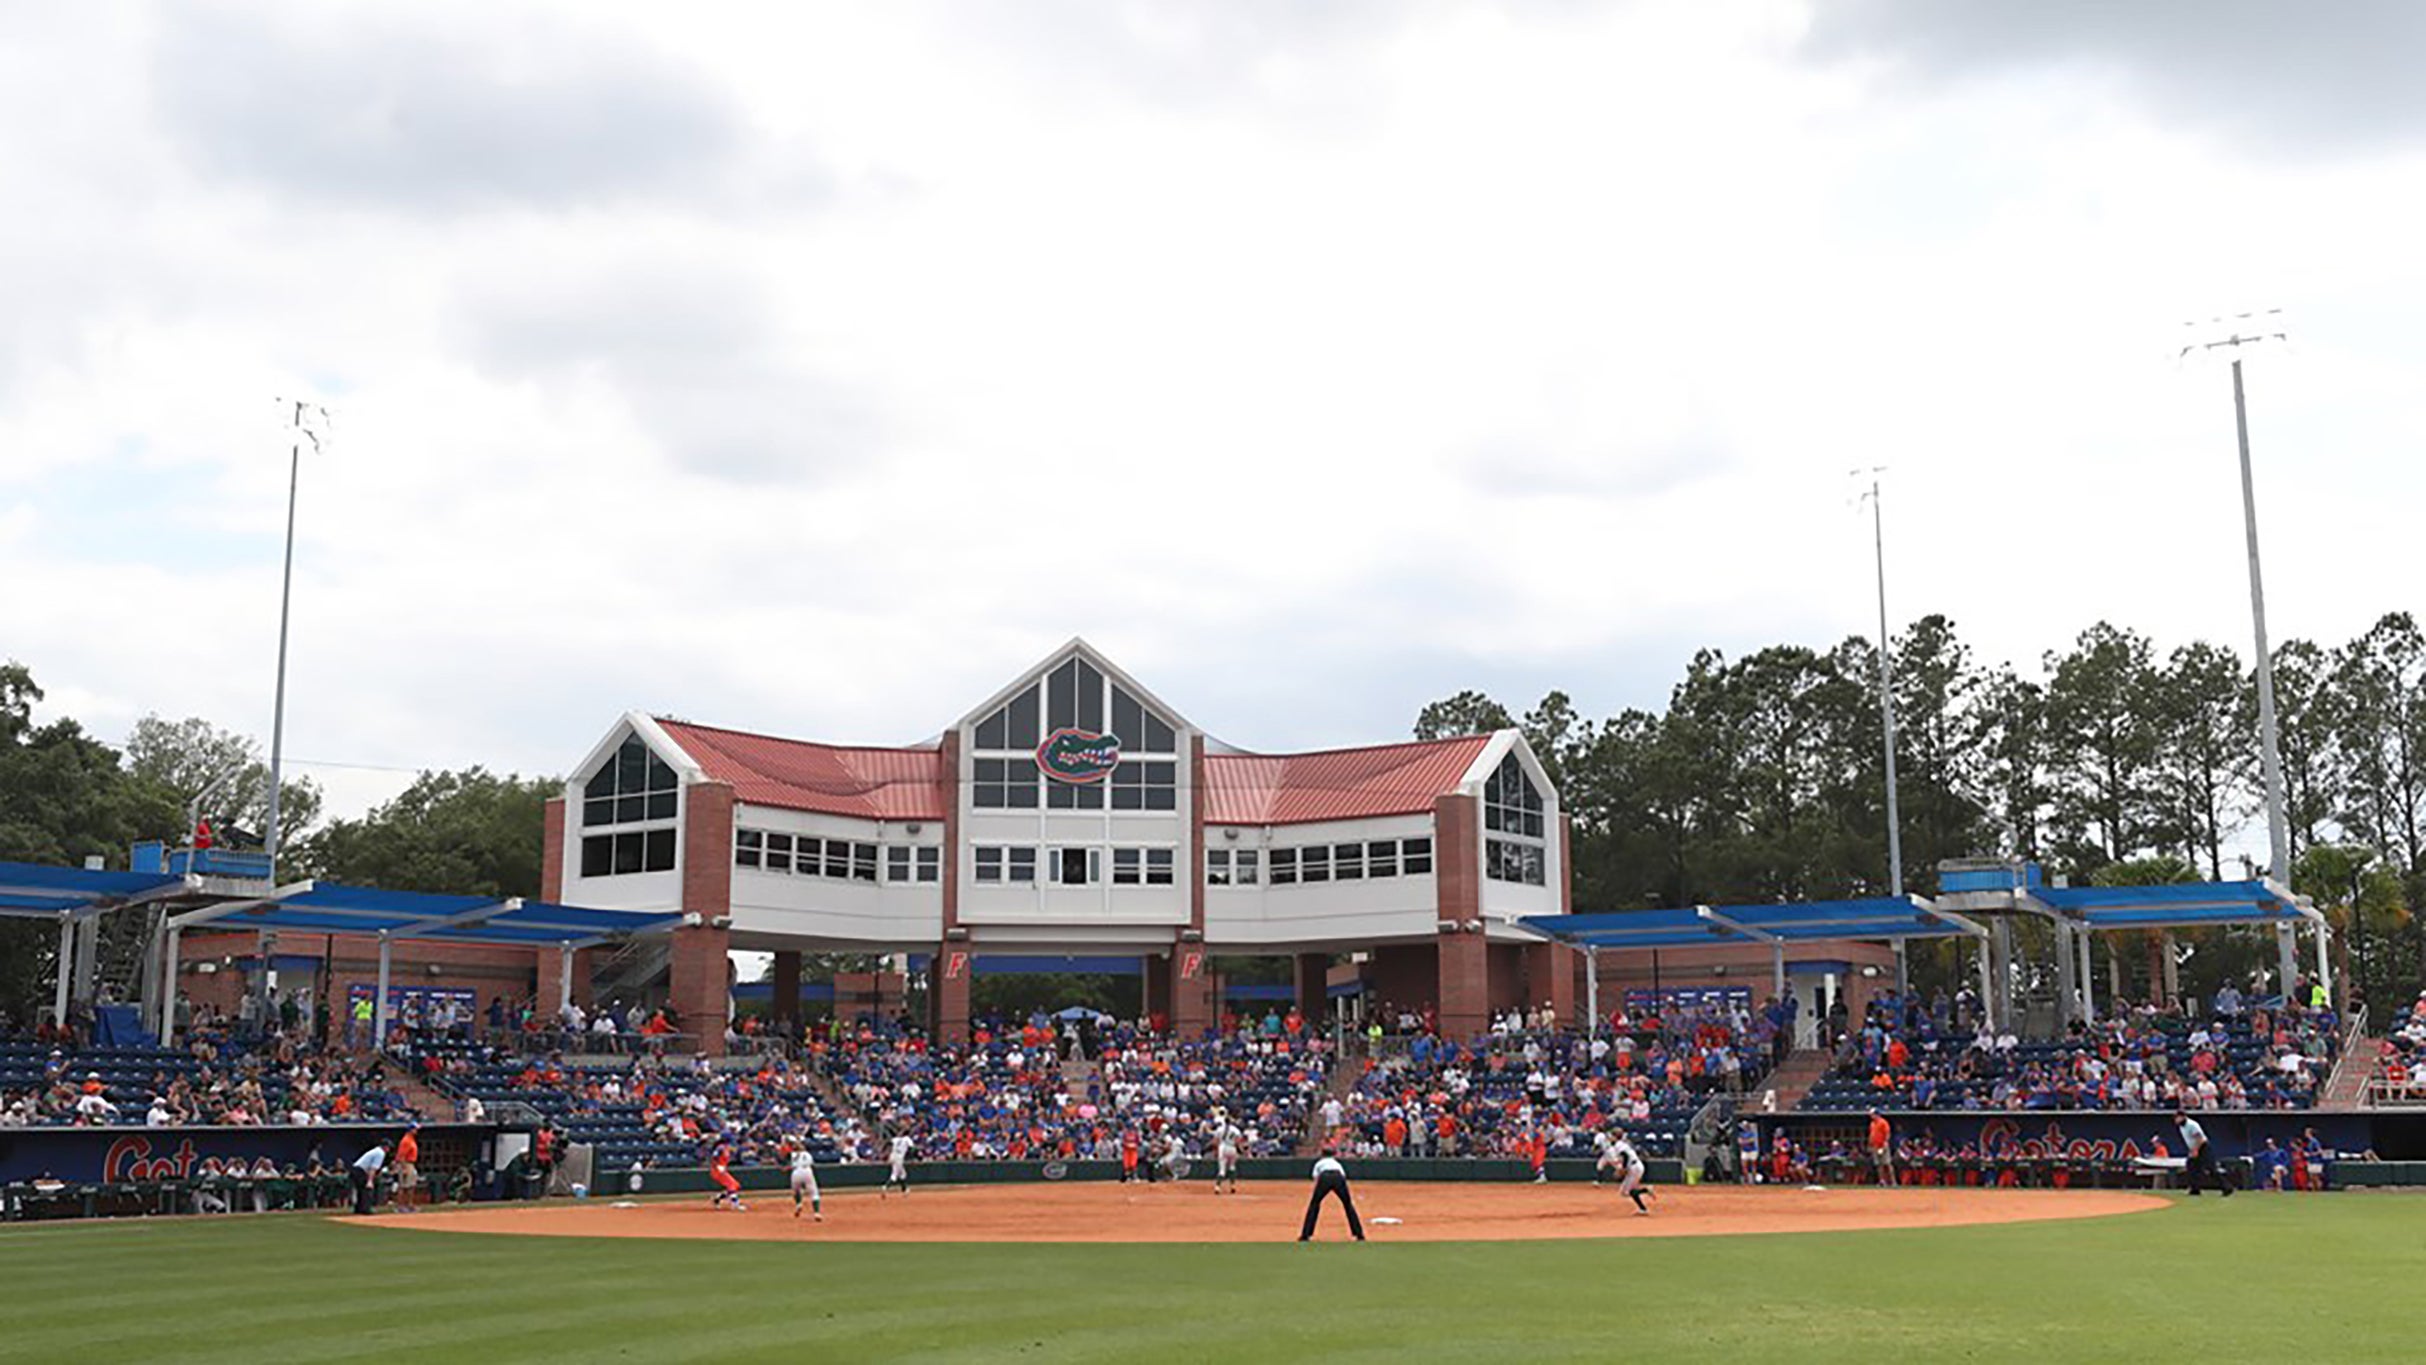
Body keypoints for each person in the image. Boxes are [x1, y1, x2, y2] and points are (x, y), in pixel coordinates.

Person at [1299, 1147, 1365, 1242]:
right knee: (1348, 1205)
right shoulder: (1336, 1163)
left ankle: (1305, 1235)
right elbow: (1343, 1176)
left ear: (1322, 1154)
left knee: (1314, 1205)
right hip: (1338, 1177)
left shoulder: (1319, 1163)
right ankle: (1359, 1234)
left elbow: (1315, 1177)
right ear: (1333, 1155)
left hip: (1324, 1177)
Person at [2174, 1110, 2232, 1197]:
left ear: (2183, 1117)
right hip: (2194, 1148)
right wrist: (2191, 1150)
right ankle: (2195, 1189)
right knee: (2191, 1166)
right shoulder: (2181, 1127)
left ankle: (2227, 1187)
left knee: (2211, 1168)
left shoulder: (2191, 1125)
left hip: (2203, 1147)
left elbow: (2199, 1138)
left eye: (2177, 1118)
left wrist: (2196, 1150)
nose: (2175, 1120)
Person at [1608, 1133, 1654, 1216]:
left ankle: (1645, 1194)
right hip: (1635, 1167)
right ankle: (1643, 1207)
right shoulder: (1622, 1144)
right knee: (1627, 1191)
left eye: (1611, 1136)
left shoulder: (1619, 1145)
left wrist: (1623, 1169)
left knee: (1626, 1192)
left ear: (1615, 1137)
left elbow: (1625, 1156)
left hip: (1634, 1168)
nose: (1610, 1138)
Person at [349, 1141, 389, 1215]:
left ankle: (359, 1209)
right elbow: (373, 1168)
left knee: (360, 1190)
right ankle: (366, 1209)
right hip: (360, 1170)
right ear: (385, 1147)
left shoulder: (376, 1150)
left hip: (355, 1169)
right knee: (366, 1190)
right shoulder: (380, 1153)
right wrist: (370, 1181)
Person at [789, 1141, 823, 1222]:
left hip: (796, 1172)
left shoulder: (792, 1155)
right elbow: (812, 1164)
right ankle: (816, 1213)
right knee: (814, 1192)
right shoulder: (807, 1154)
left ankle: (798, 1204)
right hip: (807, 1171)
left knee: (796, 1190)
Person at [708, 1144, 746, 1211]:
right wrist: (716, 1165)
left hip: (722, 1170)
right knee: (731, 1185)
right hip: (717, 1170)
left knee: (736, 1185)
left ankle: (717, 1198)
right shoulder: (721, 1148)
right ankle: (735, 1204)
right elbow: (713, 1157)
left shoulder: (728, 1150)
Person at [392, 1124, 421, 1211]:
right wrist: (404, 1168)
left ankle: (409, 1205)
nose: (416, 1131)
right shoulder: (406, 1140)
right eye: (415, 1129)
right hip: (406, 1164)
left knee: (411, 1185)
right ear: (410, 1130)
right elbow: (401, 1156)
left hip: (411, 1164)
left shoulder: (411, 1140)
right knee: (403, 1186)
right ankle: (400, 1206)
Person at [1213, 1111, 1242, 1195]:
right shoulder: (1236, 1130)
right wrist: (1240, 1150)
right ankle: (1232, 1186)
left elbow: (1215, 1141)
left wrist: (1215, 1151)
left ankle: (1217, 1187)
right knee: (1232, 1167)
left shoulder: (1219, 1129)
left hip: (1223, 1147)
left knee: (1222, 1170)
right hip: (1232, 1148)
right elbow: (1238, 1141)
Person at [1867, 1109, 1894, 1186]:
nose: (1871, 1116)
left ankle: (1893, 1181)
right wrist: (1870, 1144)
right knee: (1879, 1164)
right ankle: (1882, 1181)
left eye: (1872, 1114)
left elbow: (1887, 1133)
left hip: (1882, 1145)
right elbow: (1872, 1135)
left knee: (1887, 1163)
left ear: (1877, 1114)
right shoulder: (1872, 1124)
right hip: (1875, 1146)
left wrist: (1885, 1142)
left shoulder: (1883, 1122)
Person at [883, 1131, 914, 1198]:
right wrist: (910, 1157)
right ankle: (885, 1187)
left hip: (892, 1156)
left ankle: (905, 1190)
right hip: (899, 1158)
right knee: (894, 1175)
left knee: (903, 1174)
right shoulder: (907, 1139)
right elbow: (912, 1148)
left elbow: (888, 1143)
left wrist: (883, 1150)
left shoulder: (896, 1139)